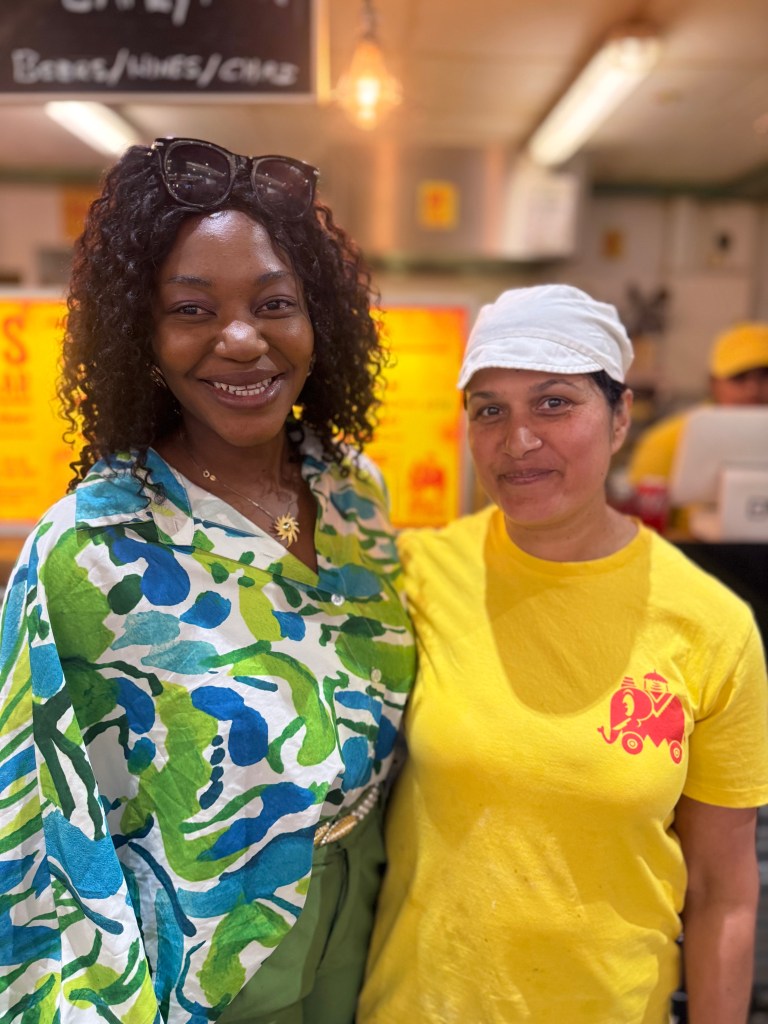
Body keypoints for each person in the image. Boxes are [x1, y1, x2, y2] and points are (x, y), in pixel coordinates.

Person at [0, 137, 415, 1024]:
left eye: (275, 304)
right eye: (192, 310)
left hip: (376, 925)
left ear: (320, 323)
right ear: (142, 340)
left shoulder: (355, 496)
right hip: (205, 962)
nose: (241, 340)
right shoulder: (89, 549)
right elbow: (34, 817)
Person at [358, 285, 768, 1024]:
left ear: (619, 418)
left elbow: (724, 893)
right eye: (491, 410)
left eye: (553, 403)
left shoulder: (713, 626)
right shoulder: (413, 575)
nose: (518, 441)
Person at [628, 320, 768, 488]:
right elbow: (642, 510)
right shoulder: (665, 443)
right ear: (713, 383)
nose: (753, 389)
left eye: (765, 376)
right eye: (739, 377)